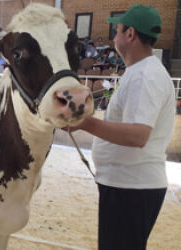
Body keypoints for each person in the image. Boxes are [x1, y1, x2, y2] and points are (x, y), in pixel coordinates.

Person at [67, 5, 175, 250]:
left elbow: (138, 135)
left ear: (130, 34)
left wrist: (84, 123)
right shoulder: (140, 73)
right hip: (128, 185)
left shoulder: (145, 76)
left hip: (131, 189)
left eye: (117, 29)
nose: (113, 35)